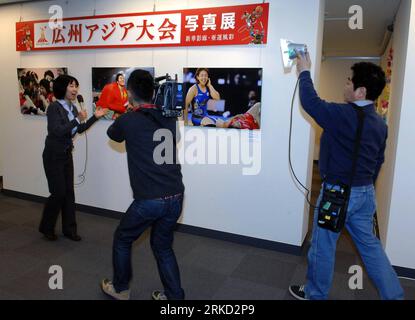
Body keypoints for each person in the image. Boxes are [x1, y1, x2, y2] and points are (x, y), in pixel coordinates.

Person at [288, 52, 404, 300]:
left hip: (337, 195)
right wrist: (364, 186)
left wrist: (304, 71)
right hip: (365, 195)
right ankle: (394, 296)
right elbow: (378, 161)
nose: (346, 84)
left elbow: (311, 102)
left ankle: (315, 295)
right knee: (371, 248)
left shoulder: (342, 115)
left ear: (361, 91)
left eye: (349, 81)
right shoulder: (380, 124)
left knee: (322, 247)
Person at [101, 69, 185, 301]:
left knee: (122, 238)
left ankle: (120, 289)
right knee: (163, 247)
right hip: (176, 195)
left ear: (128, 93)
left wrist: (130, 111)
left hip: (150, 200)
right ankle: (175, 297)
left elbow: (113, 133)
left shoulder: (128, 120)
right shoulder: (168, 117)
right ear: (153, 92)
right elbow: (174, 139)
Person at [39, 75, 108, 241]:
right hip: (53, 155)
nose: (75, 89)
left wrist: (94, 117)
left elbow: (79, 128)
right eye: (71, 85)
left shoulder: (73, 107)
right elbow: (57, 130)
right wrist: (77, 119)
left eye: (76, 85)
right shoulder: (54, 108)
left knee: (69, 192)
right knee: (58, 193)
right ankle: (46, 227)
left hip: (66, 153)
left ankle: (69, 230)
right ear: (62, 87)